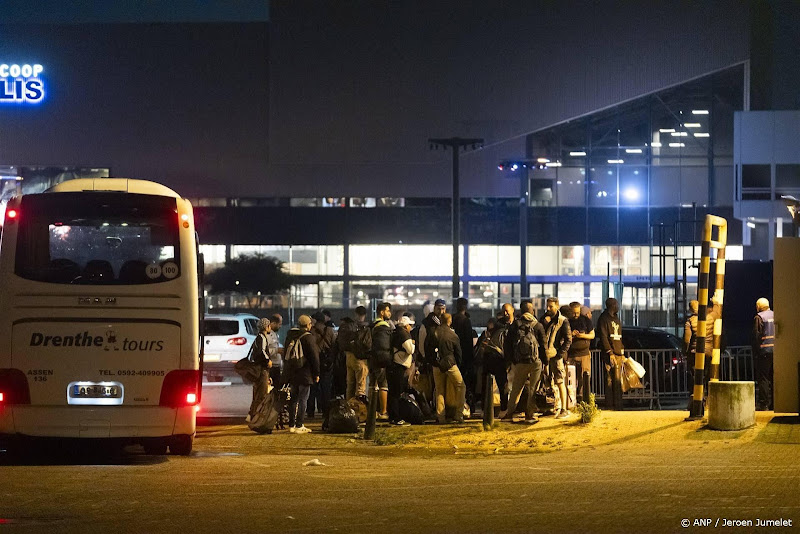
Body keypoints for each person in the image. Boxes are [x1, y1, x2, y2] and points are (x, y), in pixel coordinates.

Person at [501, 305, 546, 424]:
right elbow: (543, 346)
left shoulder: (515, 325)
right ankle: (529, 415)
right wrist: (545, 362)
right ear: (532, 311)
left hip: (520, 362)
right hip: (535, 362)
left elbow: (508, 344)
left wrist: (511, 361)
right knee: (533, 388)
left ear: (521, 311)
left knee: (516, 389)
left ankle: (510, 414)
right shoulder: (538, 325)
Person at [283, 315, 320, 434]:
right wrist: (316, 373)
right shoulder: (308, 338)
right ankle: (300, 425)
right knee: (303, 399)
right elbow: (314, 357)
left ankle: (291, 425)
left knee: (293, 399)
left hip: (293, 372)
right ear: (308, 325)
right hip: (305, 373)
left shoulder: (291, 335)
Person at [431, 312, 466, 423]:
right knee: (461, 386)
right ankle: (459, 414)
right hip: (450, 363)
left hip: (437, 364)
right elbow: (458, 353)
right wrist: (458, 364)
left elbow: (428, 349)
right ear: (450, 321)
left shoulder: (434, 333)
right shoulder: (453, 335)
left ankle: (441, 416)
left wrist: (432, 362)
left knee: (439, 390)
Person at [542, 297, 572, 419]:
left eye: (551, 306)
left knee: (560, 382)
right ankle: (553, 407)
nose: (548, 309)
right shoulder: (549, 320)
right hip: (550, 356)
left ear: (557, 306)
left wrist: (560, 354)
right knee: (550, 382)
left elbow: (568, 339)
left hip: (555, 356)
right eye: (547, 306)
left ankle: (564, 408)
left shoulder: (563, 321)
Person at [387, 314, 415, 425]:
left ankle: (393, 416)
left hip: (393, 365)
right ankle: (396, 418)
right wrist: (413, 344)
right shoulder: (404, 335)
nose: (411, 328)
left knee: (393, 392)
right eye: (410, 325)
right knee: (396, 393)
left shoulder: (395, 332)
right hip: (399, 365)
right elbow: (410, 350)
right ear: (406, 326)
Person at [308, 311, 336, 419]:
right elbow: (334, 346)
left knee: (313, 388)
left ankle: (310, 411)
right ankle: (325, 411)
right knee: (326, 388)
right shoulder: (330, 331)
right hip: (326, 363)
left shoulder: (311, 332)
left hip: (314, 362)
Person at [597, 297, 624, 410]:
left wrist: (621, 350)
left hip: (618, 353)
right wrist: (610, 353)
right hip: (610, 354)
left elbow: (620, 336)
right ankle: (610, 404)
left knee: (618, 380)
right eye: (616, 304)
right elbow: (603, 337)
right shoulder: (603, 319)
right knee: (609, 380)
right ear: (612, 305)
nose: (618, 306)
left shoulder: (616, 318)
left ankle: (618, 404)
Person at [370, 302, 394, 420]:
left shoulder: (372, 324)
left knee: (373, 385)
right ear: (382, 312)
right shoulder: (384, 327)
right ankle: (383, 412)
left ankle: (372, 411)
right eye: (388, 311)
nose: (390, 313)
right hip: (381, 360)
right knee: (383, 385)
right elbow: (384, 345)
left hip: (372, 358)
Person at [567, 301, 594, 403]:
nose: (576, 315)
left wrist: (582, 336)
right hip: (572, 354)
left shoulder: (586, 320)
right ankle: (572, 401)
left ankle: (584, 400)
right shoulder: (567, 322)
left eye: (577, 313)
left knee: (584, 379)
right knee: (571, 379)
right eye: (574, 313)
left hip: (584, 354)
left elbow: (592, 335)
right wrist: (572, 335)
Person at [341, 306, 370, 401]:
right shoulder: (364, 327)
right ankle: (358, 410)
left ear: (355, 314)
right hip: (359, 359)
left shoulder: (348, 325)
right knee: (360, 386)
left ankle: (349, 408)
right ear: (365, 315)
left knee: (350, 384)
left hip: (348, 356)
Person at [451, 297, 475, 411]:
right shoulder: (466, 321)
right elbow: (468, 341)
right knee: (465, 382)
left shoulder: (452, 319)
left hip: (453, 355)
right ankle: (465, 406)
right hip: (465, 355)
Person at [246, 318, 272, 423]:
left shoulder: (258, 338)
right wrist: (268, 361)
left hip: (258, 369)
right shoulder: (262, 338)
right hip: (261, 370)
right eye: (269, 325)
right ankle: (255, 417)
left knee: (257, 394)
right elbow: (262, 351)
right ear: (266, 327)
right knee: (261, 395)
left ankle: (251, 415)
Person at [752, 297, 774, 411]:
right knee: (774, 378)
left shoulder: (759, 317)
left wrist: (755, 352)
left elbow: (756, 336)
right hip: (776, 351)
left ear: (758, 306)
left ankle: (763, 404)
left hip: (764, 352)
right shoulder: (775, 315)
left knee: (763, 378)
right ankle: (775, 403)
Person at [265, 314, 283, 390]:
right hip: (271, 366)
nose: (280, 326)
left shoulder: (275, 334)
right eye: (279, 324)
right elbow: (264, 350)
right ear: (273, 323)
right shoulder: (267, 335)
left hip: (276, 366)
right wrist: (276, 350)